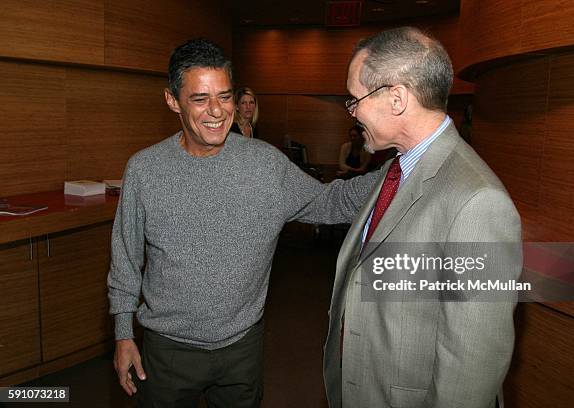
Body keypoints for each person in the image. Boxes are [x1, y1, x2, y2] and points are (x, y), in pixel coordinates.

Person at [107, 39, 379, 408]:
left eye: (225, 96)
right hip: (168, 351)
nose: (217, 111)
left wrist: (404, 166)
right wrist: (124, 334)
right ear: (173, 100)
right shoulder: (144, 170)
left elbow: (332, 202)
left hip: (242, 351)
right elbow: (125, 258)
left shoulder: (265, 165)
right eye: (200, 99)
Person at [323, 27, 523, 408]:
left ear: (396, 98)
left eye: (355, 99)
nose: (352, 111)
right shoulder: (395, 170)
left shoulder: (478, 202)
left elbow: (471, 369)